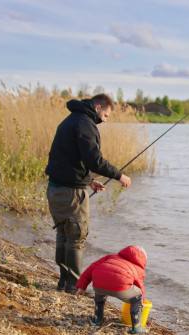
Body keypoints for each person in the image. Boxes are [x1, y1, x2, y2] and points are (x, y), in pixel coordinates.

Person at [45, 93, 132, 293]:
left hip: (57, 188)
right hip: (71, 193)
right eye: (107, 115)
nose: (105, 119)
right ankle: (74, 286)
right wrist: (119, 176)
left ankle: (64, 282)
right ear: (99, 107)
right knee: (76, 236)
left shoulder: (71, 120)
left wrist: (89, 181)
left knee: (64, 233)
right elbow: (94, 159)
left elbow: (67, 159)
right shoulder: (84, 123)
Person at [76, 245, 148, 334]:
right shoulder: (139, 269)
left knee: (101, 288)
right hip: (120, 287)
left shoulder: (110, 257)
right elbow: (140, 286)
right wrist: (143, 300)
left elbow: (90, 269)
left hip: (98, 284)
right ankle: (137, 327)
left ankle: (97, 319)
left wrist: (82, 286)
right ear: (143, 259)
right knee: (138, 297)